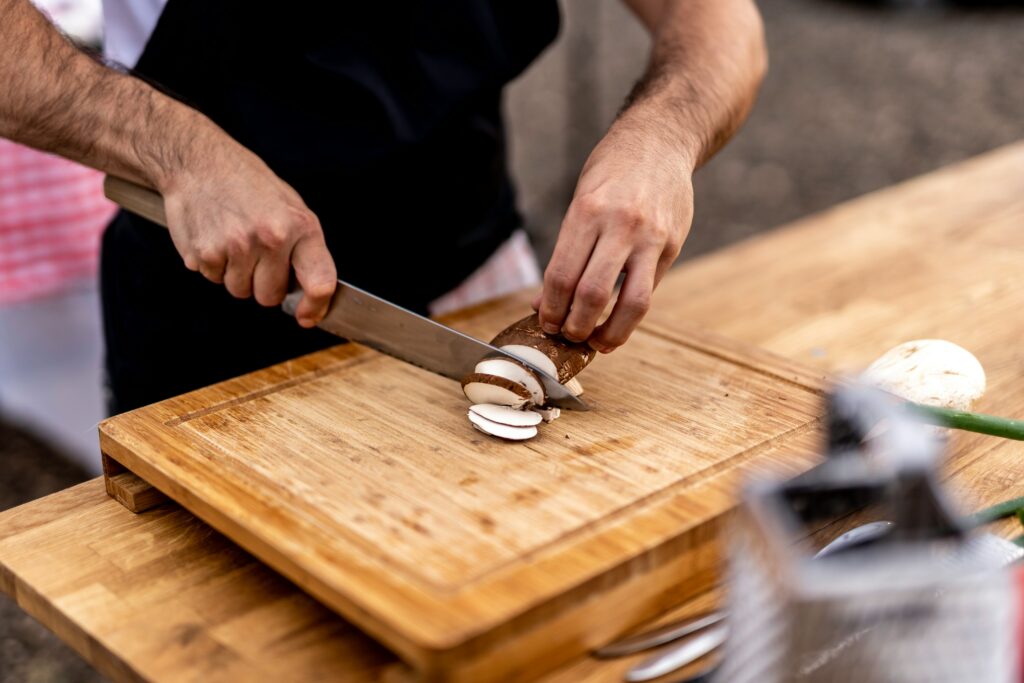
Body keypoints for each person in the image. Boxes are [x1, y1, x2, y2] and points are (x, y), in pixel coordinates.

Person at [0, 0, 766, 413]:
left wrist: (662, 137)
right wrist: (177, 149)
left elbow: (717, 18)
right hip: (214, 307)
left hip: (479, 267)